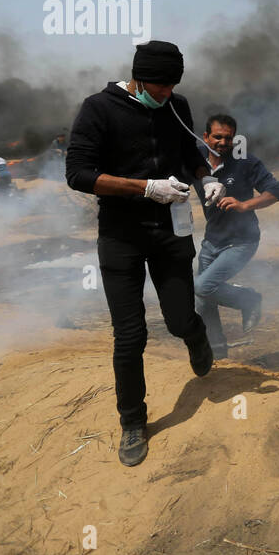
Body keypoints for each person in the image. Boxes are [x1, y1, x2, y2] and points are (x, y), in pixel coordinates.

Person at [65, 40, 227, 467]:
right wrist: (145, 187)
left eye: (172, 87)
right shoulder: (99, 108)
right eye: (158, 87)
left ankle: (195, 336)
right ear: (137, 76)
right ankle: (133, 422)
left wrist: (204, 179)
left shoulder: (176, 105)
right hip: (121, 235)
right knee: (131, 334)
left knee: (177, 319)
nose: (165, 95)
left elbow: (191, 153)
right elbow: (78, 174)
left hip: (170, 232)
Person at [194, 113, 279, 359]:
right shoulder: (196, 163)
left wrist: (245, 205)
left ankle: (249, 300)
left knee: (203, 286)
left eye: (229, 138)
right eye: (217, 137)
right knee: (203, 301)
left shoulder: (245, 163)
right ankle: (217, 353)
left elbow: (276, 191)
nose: (223, 143)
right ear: (205, 137)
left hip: (242, 241)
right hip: (211, 240)